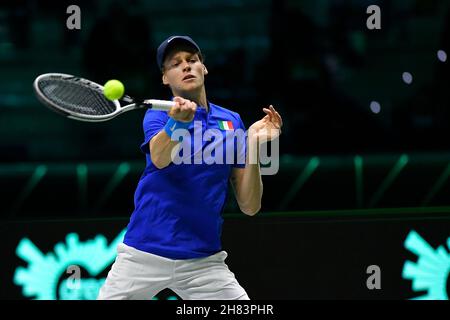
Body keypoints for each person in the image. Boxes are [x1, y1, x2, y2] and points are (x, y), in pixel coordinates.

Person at [97, 35, 282, 300]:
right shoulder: (159, 116)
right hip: (143, 254)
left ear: (203, 68)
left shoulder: (231, 122)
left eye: (192, 60)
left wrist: (252, 143)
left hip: (203, 262)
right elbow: (160, 158)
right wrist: (177, 124)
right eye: (175, 63)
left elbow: (250, 206)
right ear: (165, 78)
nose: (186, 66)